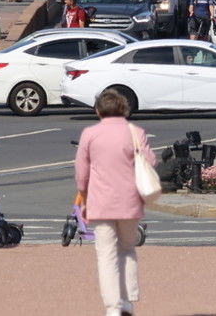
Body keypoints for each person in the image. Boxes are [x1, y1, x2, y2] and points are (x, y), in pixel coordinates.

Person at [74, 87, 156, 316]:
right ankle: (129, 299)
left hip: (100, 201)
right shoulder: (134, 131)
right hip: (130, 200)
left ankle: (113, 307)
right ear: (123, 109)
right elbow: (151, 160)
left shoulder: (90, 134)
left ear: (99, 110)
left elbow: (82, 173)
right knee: (127, 249)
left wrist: (85, 198)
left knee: (106, 254)